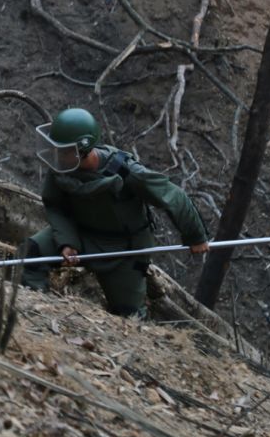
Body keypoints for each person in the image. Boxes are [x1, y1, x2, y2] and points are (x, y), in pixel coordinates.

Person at [22, 107, 210, 318]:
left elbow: (174, 197)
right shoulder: (61, 167)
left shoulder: (127, 171)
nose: (56, 155)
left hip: (124, 250)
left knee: (128, 315)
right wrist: (67, 241)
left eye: (63, 150)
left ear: (81, 149)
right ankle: (38, 315)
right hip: (83, 235)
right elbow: (55, 205)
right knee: (32, 255)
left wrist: (196, 236)